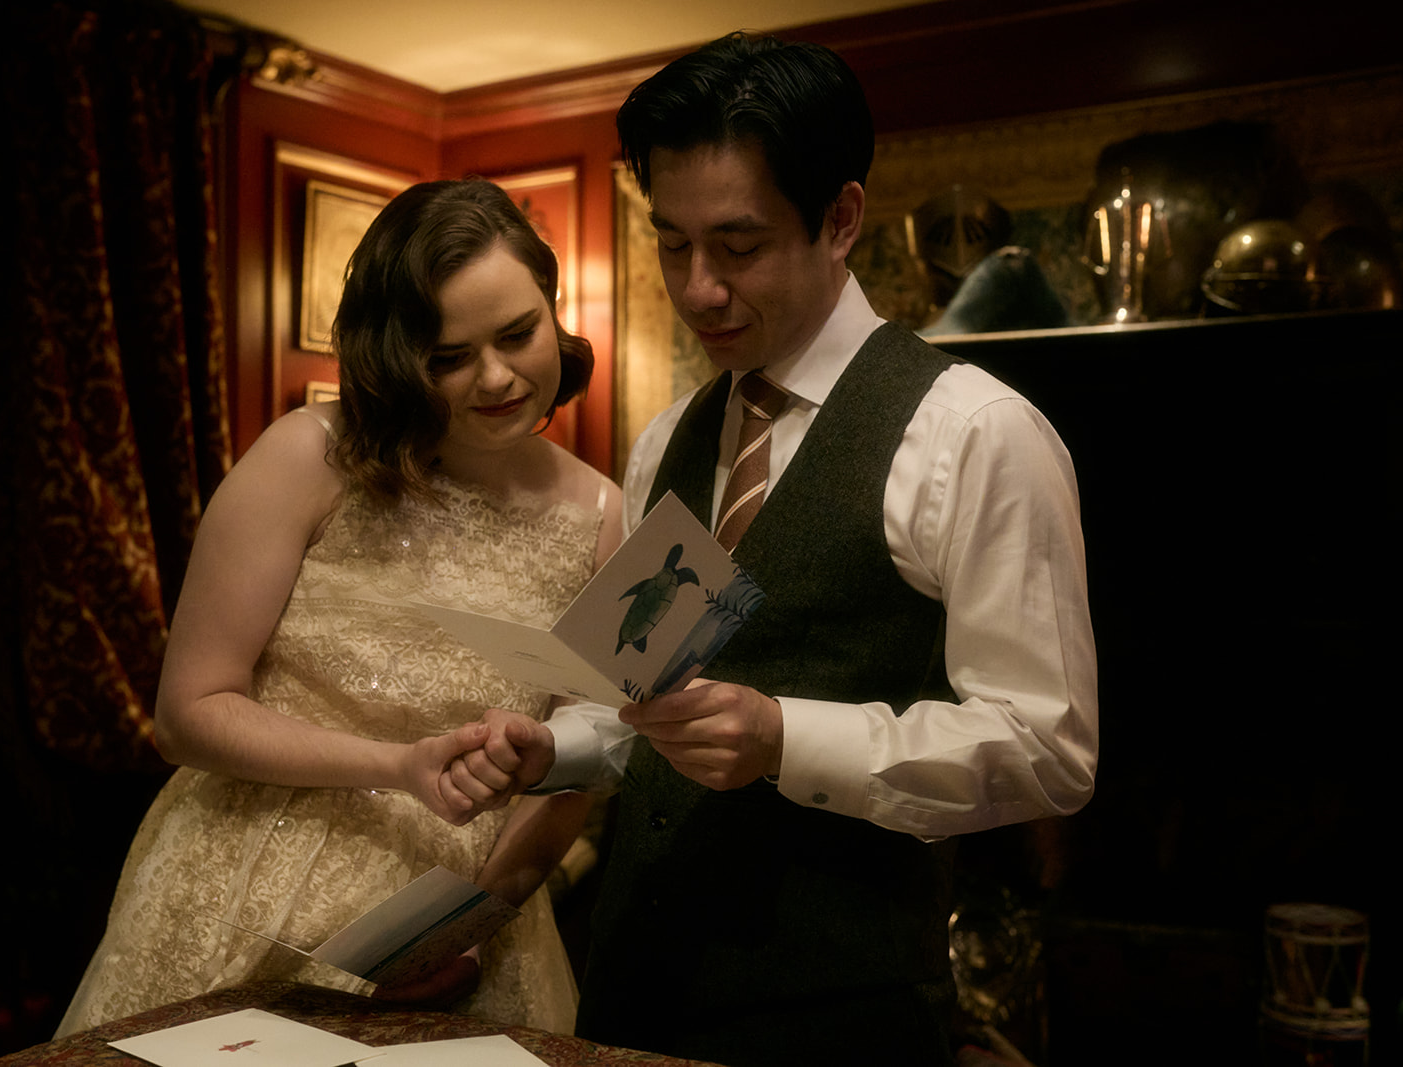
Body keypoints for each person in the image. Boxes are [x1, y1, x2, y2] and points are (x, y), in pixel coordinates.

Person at [444, 32, 1098, 1066]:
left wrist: (786, 738)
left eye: (737, 246)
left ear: (840, 219)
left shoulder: (975, 433)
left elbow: (1047, 749)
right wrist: (553, 749)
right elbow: (638, 697)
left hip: (839, 1012)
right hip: (627, 987)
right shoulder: (670, 435)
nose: (696, 287)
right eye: (671, 242)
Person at [55, 178, 623, 1037]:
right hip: (245, 891)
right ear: (396, 357)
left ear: (553, 307)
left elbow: (584, 764)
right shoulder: (308, 456)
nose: (498, 377)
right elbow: (189, 711)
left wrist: (470, 925)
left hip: (458, 923)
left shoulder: (603, 516)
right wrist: (397, 764)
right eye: (448, 357)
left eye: (518, 334)